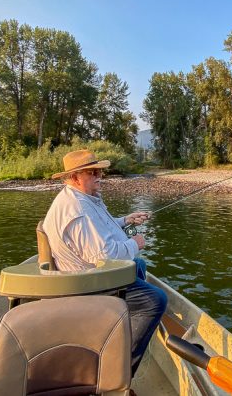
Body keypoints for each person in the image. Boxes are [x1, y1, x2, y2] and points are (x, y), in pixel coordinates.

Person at [42, 149, 167, 376]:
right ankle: (115, 372)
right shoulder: (77, 210)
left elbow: (99, 231)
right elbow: (104, 257)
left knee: (138, 266)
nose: (99, 176)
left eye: (100, 171)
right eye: (92, 172)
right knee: (155, 300)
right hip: (88, 285)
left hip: (89, 275)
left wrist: (125, 220)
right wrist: (135, 244)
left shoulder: (82, 199)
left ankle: (119, 330)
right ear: (74, 177)